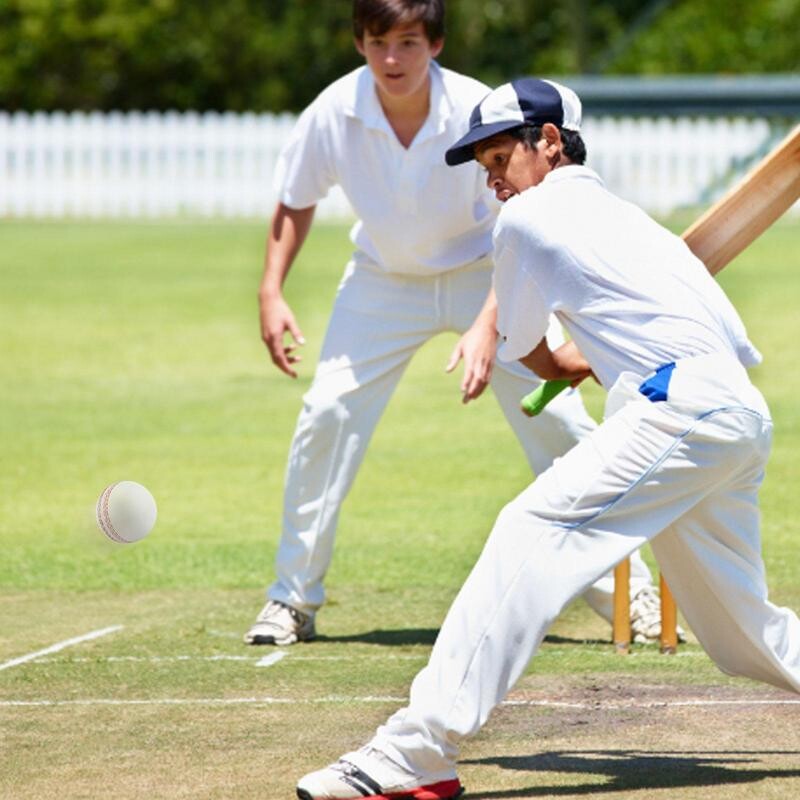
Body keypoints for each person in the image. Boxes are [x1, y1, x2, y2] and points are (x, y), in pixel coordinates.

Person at [295, 77, 800, 800]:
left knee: (530, 525)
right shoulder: (637, 226)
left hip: (677, 409)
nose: (493, 183)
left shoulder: (528, 219)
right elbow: (727, 340)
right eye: (485, 169)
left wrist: (568, 364)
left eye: (500, 161)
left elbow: (522, 341)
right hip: (733, 415)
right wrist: (606, 359)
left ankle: (414, 750)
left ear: (550, 142)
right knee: (739, 633)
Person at [245, 0, 667, 649]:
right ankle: (291, 599)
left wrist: (487, 324)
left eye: (409, 42)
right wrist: (271, 290)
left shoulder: (476, 110)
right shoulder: (333, 111)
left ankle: (629, 595)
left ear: (435, 44)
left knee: (555, 422)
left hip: (486, 270)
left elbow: (517, 225)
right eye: (380, 42)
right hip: (383, 279)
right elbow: (295, 200)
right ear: (359, 42)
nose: (393, 59)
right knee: (326, 414)